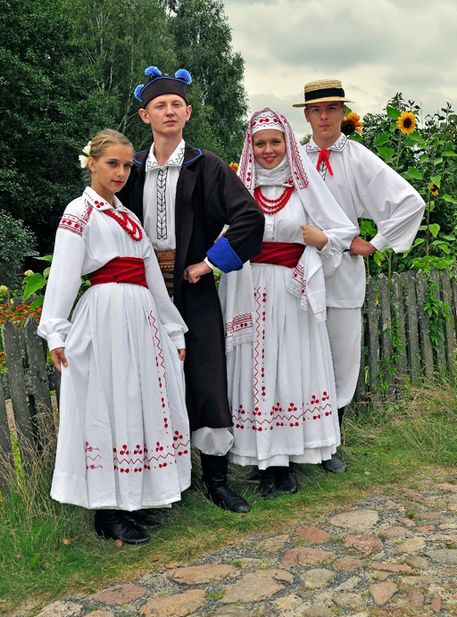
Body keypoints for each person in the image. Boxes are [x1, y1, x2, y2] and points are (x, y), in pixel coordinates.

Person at [119, 66, 264, 513]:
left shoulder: (207, 166)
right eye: (159, 105)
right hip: (143, 290)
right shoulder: (132, 168)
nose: (168, 112)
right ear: (145, 116)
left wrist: (208, 263)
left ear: (188, 113)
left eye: (175, 105)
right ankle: (158, 481)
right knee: (148, 379)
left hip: (191, 287)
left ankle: (216, 481)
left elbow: (248, 218)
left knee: (204, 376)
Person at [38, 129, 191, 545]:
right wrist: (55, 330)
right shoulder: (79, 213)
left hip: (140, 320)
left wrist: (172, 326)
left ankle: (135, 501)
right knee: (108, 404)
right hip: (105, 320)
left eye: (127, 165)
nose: (122, 172)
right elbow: (66, 275)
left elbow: (152, 280)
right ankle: (108, 512)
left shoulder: (130, 217)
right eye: (113, 164)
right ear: (92, 163)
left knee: (138, 402)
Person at [219, 108, 358, 497]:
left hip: (293, 294)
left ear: (288, 144)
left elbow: (341, 231)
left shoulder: (305, 189)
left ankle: (289, 459)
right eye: (260, 143)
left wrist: (319, 241)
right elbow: (224, 236)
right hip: (251, 289)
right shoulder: (241, 191)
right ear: (251, 146)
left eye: (275, 142)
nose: (268, 150)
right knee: (257, 370)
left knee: (290, 370)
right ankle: (266, 463)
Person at [294, 79, 425, 473]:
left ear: (342, 113)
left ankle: (331, 442)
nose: (324, 117)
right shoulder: (296, 159)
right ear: (306, 114)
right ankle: (298, 442)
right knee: (300, 354)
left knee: (342, 356)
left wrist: (375, 243)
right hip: (301, 271)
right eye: (316, 110)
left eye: (332, 109)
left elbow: (408, 201)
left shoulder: (357, 158)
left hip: (344, 273)